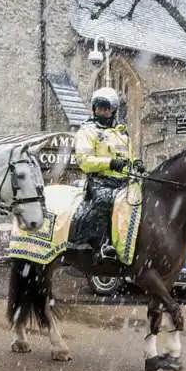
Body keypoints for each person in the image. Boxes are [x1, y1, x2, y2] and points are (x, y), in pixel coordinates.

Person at [70, 87, 143, 260]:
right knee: (104, 201)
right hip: (100, 181)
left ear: (113, 111)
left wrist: (136, 163)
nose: (101, 111)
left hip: (124, 181)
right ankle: (99, 244)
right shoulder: (88, 131)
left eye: (105, 108)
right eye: (99, 107)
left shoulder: (121, 133)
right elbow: (84, 160)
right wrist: (109, 163)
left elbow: (129, 155)